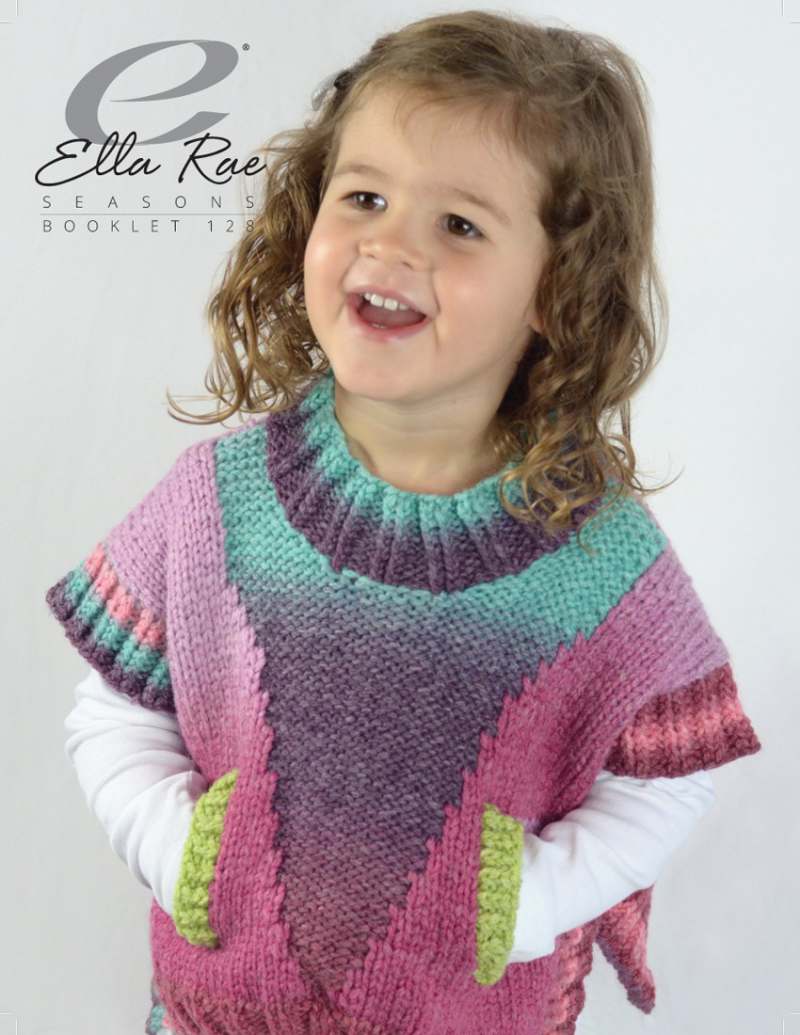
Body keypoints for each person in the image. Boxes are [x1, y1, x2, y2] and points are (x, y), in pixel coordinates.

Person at [45, 11, 762, 1035]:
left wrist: (526, 905)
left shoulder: (599, 558)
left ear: (555, 288)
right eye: (366, 197)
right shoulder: (215, 503)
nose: (389, 244)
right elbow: (113, 716)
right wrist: (180, 856)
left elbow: (667, 778)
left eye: (459, 224)